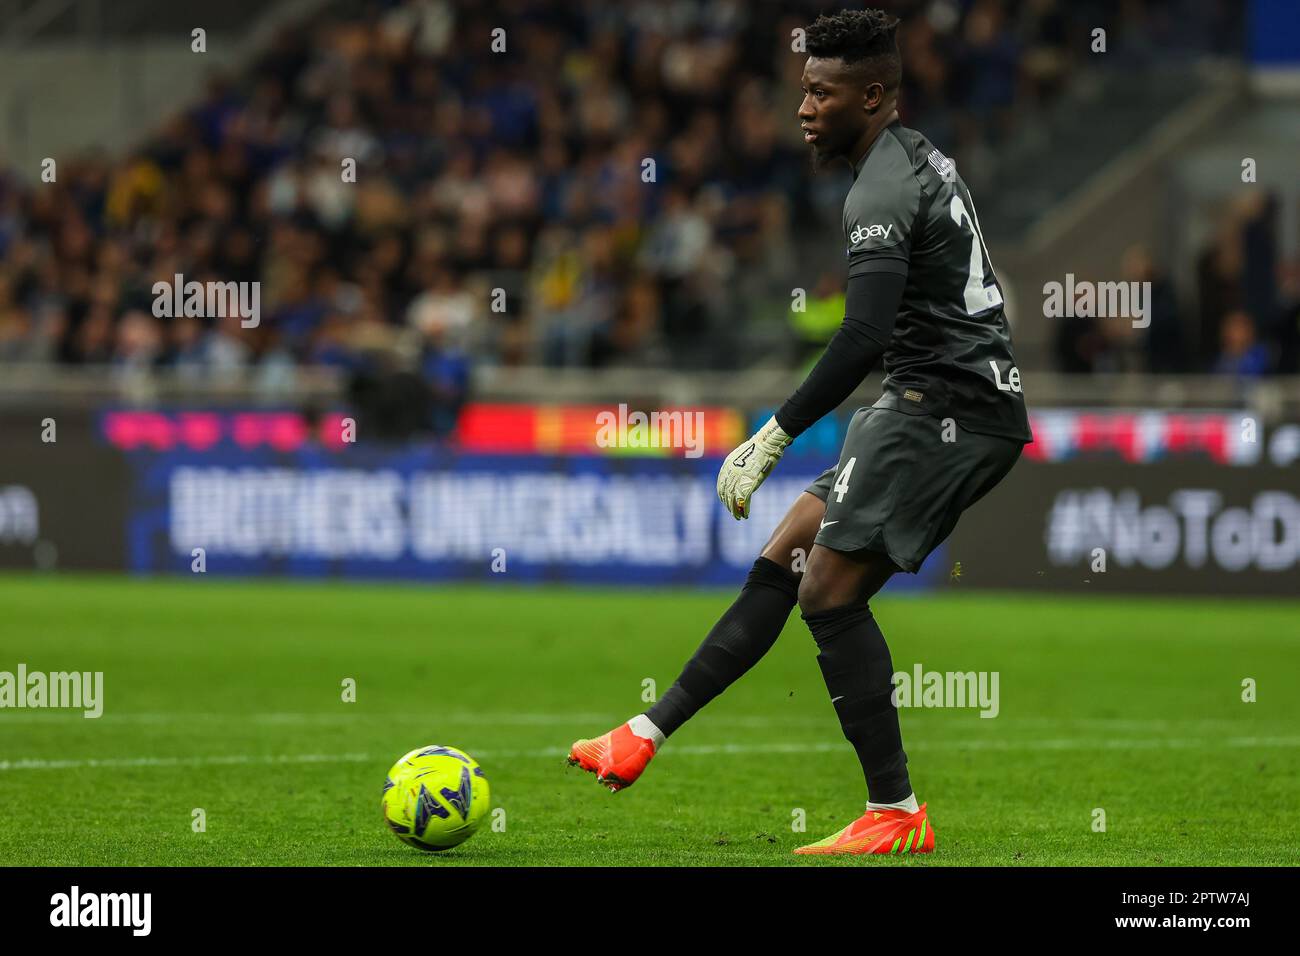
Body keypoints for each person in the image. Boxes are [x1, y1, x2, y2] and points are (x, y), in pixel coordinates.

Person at [567, 8, 1032, 856]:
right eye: (803, 89)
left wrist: (772, 434)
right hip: (929, 399)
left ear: (874, 93)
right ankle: (643, 732)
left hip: (948, 407)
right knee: (789, 552)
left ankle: (895, 811)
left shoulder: (881, 189)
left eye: (821, 92)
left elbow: (862, 336)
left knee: (826, 589)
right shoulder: (907, 158)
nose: (804, 109)